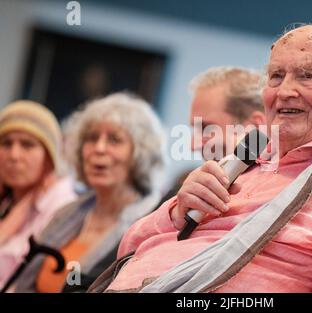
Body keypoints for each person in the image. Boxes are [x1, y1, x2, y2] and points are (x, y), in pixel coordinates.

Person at [91, 25, 312, 293]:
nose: (285, 91)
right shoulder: (244, 158)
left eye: (306, 76)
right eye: (276, 76)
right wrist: (177, 213)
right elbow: (129, 248)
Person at [12, 93, 166, 292]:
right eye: (92, 138)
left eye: (114, 140)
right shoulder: (67, 212)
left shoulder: (150, 223)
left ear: (140, 154)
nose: (99, 149)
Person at [158, 66, 267, 204]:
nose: (193, 146)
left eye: (206, 128)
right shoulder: (186, 194)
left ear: (254, 127)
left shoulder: (277, 197)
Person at [0, 100, 77, 290]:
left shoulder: (62, 204)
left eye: (27, 145)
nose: (14, 155)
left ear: (50, 156)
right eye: (6, 143)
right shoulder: (8, 198)